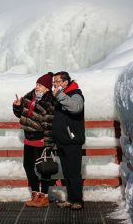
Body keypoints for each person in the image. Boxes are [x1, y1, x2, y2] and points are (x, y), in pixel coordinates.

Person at [13, 72, 58, 208]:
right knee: (28, 165)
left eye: (40, 85)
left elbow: (50, 124)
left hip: (41, 140)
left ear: (47, 88)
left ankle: (43, 196)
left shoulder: (50, 101)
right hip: (28, 138)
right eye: (37, 84)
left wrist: (49, 144)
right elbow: (20, 114)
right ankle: (35, 193)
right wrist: (18, 106)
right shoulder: (29, 96)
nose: (37, 87)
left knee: (44, 168)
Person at [52, 71, 85, 210]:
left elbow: (76, 108)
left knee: (74, 172)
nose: (55, 84)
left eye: (57, 81)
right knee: (66, 173)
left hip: (72, 141)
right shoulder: (61, 96)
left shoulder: (75, 93)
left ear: (65, 82)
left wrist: (59, 95)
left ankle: (77, 200)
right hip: (62, 141)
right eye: (54, 82)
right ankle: (71, 199)